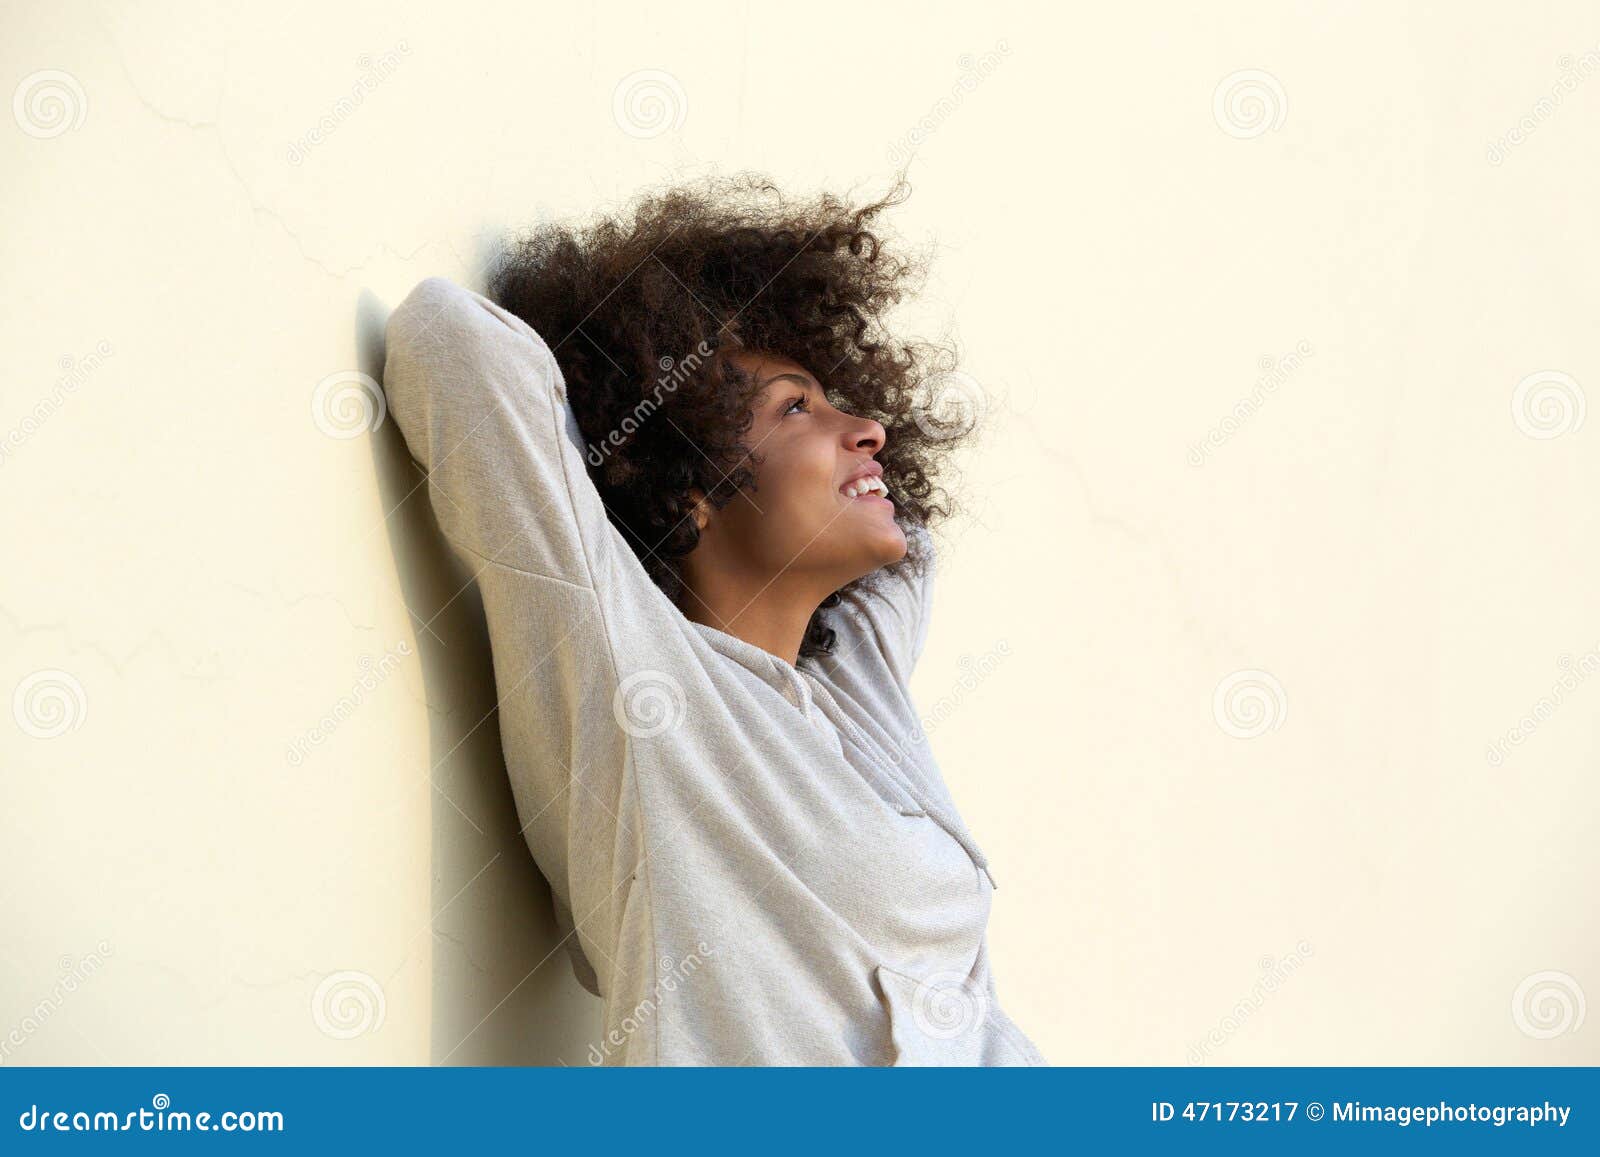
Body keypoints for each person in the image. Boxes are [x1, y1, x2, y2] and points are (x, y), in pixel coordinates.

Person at [381, 172, 1045, 1065]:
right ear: (690, 492)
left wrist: (784, 420)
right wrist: (647, 409)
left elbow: (909, 537)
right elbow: (450, 341)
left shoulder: (854, 684)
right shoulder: (633, 668)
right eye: (797, 406)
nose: (870, 430)